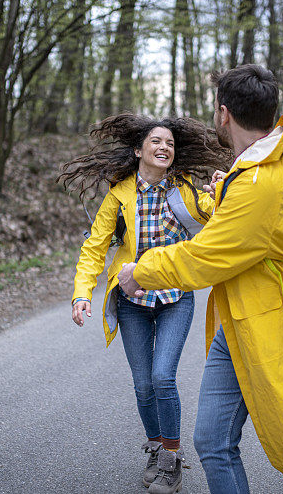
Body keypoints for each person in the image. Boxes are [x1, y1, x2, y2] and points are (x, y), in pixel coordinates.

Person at [118, 65, 283, 494]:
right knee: (212, 441)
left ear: (223, 113)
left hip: (276, 322)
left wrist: (141, 271)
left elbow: (208, 257)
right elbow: (241, 231)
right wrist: (220, 194)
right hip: (239, 323)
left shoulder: (261, 182)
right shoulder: (259, 165)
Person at [59, 113, 231, 494]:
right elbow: (95, 247)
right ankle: (155, 448)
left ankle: (171, 459)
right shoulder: (119, 195)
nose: (164, 147)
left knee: (162, 377)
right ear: (139, 150)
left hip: (174, 297)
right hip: (133, 299)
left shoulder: (184, 187)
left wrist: (222, 189)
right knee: (142, 385)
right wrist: (81, 293)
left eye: (169, 143)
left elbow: (213, 212)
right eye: (156, 141)